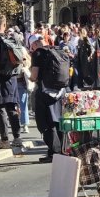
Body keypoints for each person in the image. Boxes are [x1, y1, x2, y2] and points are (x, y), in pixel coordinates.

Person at [0, 15, 23, 150]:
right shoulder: (11, 40)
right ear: (4, 25)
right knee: (12, 107)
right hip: (12, 77)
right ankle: (17, 137)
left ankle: (4, 139)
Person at [29, 34, 65, 163]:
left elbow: (34, 76)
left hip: (44, 93)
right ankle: (62, 150)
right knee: (58, 121)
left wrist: (29, 77)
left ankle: (54, 152)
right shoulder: (59, 51)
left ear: (34, 44)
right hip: (60, 92)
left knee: (45, 123)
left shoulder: (38, 53)